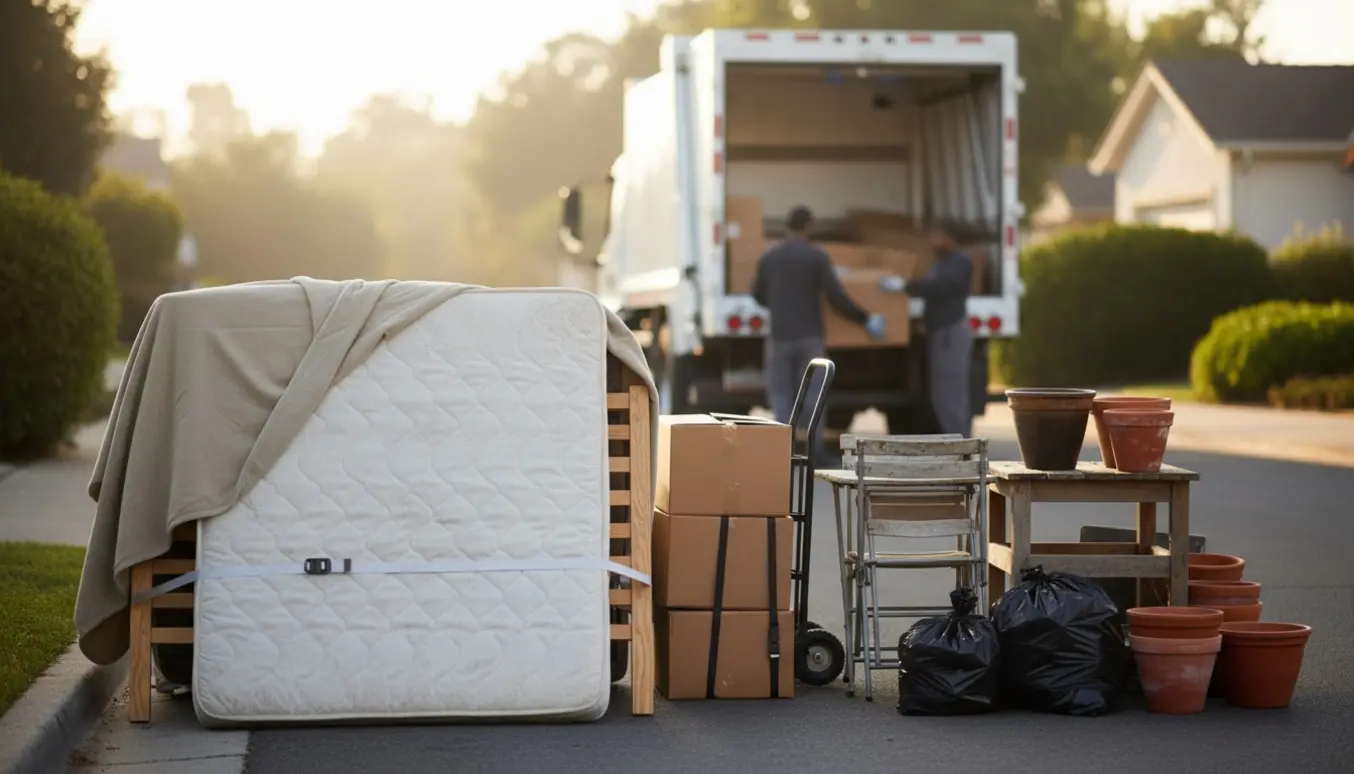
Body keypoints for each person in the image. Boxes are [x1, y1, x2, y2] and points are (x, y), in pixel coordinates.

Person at [751, 205, 886, 425]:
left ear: (787, 227)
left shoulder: (770, 258)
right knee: (814, 392)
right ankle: (816, 450)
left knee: (781, 392)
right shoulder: (817, 257)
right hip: (810, 335)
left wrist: (778, 305)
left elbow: (757, 294)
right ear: (809, 227)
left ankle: (782, 449)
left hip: (780, 334)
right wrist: (864, 318)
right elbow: (836, 296)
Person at [878, 221, 975, 437]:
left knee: (951, 393)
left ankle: (961, 442)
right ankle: (954, 439)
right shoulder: (941, 262)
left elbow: (940, 286)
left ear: (949, 238)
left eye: (937, 236)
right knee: (941, 393)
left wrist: (904, 286)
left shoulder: (959, 262)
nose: (932, 241)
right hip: (940, 332)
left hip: (950, 333)